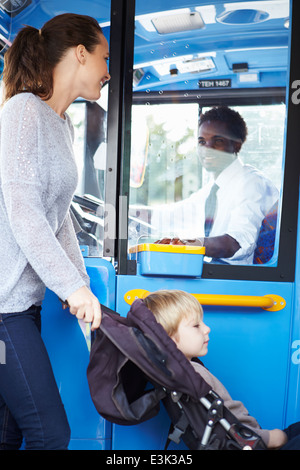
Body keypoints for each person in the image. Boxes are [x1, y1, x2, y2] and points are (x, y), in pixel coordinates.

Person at [0, 13, 110, 450]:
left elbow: (57, 215)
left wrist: (76, 284)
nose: (107, 71)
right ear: (80, 54)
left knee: (8, 436)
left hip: (22, 307)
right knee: (50, 434)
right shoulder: (22, 112)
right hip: (4, 312)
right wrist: (71, 285)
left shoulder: (60, 121)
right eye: (103, 58)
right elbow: (24, 214)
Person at [142, 289, 300, 450]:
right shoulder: (193, 374)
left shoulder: (178, 372)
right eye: (196, 325)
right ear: (167, 337)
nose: (207, 328)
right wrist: (272, 437)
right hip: (250, 441)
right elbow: (229, 430)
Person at [155, 106, 279, 264]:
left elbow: (236, 244)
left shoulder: (252, 184)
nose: (207, 149)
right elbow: (174, 213)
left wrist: (186, 244)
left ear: (236, 145)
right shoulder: (213, 189)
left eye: (218, 141)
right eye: (202, 142)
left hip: (242, 282)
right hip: (218, 274)